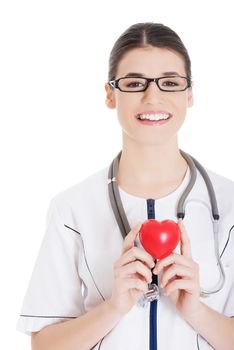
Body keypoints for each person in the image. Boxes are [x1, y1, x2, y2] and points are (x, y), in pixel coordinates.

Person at [17, 22, 234, 350]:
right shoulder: (72, 209)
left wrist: (196, 311)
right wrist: (115, 305)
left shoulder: (229, 203)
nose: (153, 97)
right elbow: (44, 345)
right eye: (134, 83)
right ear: (110, 94)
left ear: (190, 93)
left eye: (170, 83)